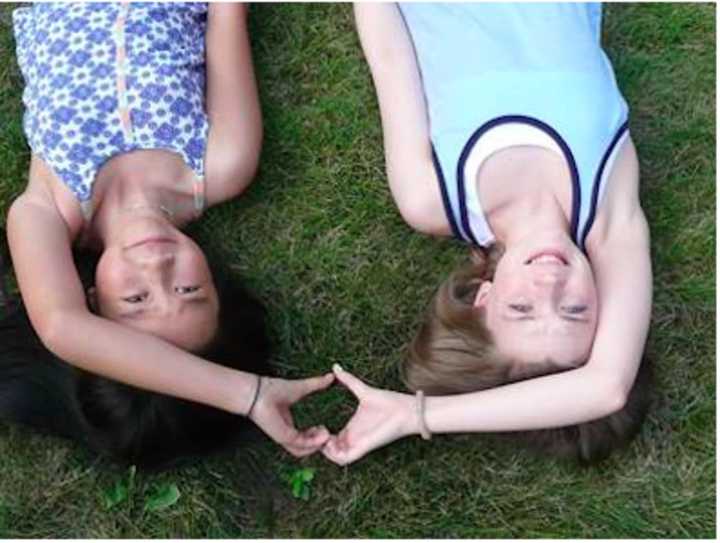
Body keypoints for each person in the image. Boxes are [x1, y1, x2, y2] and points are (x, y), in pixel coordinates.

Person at [3, 2, 333, 466]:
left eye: (136, 300)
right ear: (215, 281)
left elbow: (61, 327)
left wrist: (246, 394)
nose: (157, 267)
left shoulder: (49, 211)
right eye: (188, 289)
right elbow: (225, 11)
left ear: (93, 302)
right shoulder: (221, 166)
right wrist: (246, 391)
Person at [322, 3, 653, 465]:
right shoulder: (608, 210)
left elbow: (392, 60)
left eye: (522, 309)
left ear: (482, 298)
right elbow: (608, 387)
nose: (551, 285)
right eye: (575, 309)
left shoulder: (433, 199)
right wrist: (421, 416)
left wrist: (415, 414)